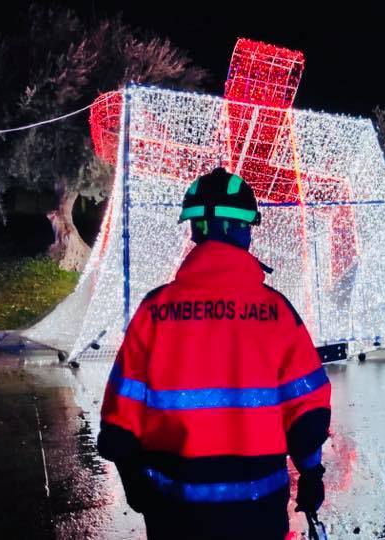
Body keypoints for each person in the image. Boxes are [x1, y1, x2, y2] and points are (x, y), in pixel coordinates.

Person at [97, 167, 331, 540]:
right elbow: (306, 412)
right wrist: (312, 473)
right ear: (243, 231)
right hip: (259, 513)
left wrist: (133, 481)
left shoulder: (154, 312)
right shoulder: (277, 313)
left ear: (193, 231)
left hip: (174, 514)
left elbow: (120, 418)